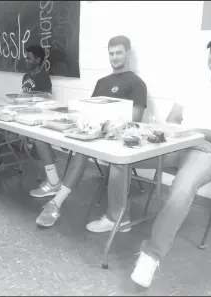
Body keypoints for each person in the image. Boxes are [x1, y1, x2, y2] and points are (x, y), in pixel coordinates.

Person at [87, 32, 211, 288]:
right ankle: (116, 218)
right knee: (122, 157)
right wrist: (175, 134)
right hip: (179, 143)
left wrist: (198, 133)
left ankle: (150, 255)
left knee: (181, 188)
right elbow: (175, 118)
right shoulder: (195, 83)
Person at [30, 35, 147, 228]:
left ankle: (56, 202)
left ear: (127, 54)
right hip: (91, 131)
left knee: (81, 149)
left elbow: (135, 119)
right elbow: (89, 109)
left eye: (119, 53)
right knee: (41, 132)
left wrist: (104, 124)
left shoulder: (136, 83)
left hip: (114, 138)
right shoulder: (102, 81)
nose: (115, 57)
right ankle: (53, 181)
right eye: (111, 53)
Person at [0, 45, 52, 176]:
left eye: (29, 58)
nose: (25, 61)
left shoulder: (44, 77)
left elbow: (46, 101)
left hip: (31, 117)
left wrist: (26, 101)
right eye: (25, 58)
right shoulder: (26, 76)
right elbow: (24, 96)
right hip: (21, 112)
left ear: (38, 60)